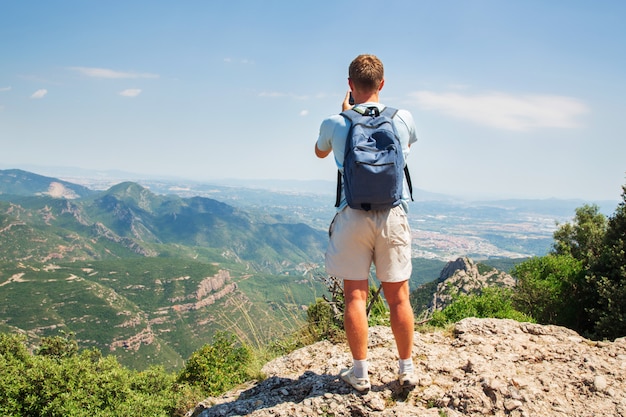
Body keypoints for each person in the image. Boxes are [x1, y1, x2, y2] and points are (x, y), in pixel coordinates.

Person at [314, 54, 419, 391]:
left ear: (349, 85)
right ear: (382, 84)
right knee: (399, 298)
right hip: (391, 215)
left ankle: (360, 374)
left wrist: (345, 112)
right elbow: (407, 149)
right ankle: (407, 369)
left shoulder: (335, 121)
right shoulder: (402, 118)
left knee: (355, 298)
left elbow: (319, 152)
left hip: (353, 216)